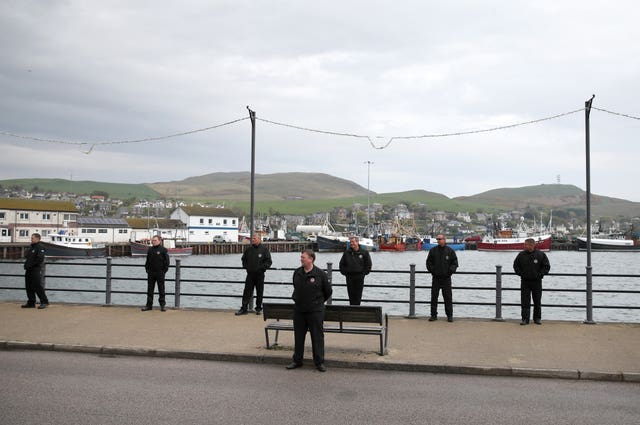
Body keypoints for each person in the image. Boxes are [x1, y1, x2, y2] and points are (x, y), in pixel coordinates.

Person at [286, 249, 332, 372]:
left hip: (315, 311)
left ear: (311, 259)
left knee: (317, 337)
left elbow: (328, 291)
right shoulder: (297, 272)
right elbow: (295, 287)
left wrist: (317, 303)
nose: (301, 259)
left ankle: (319, 362)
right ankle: (297, 360)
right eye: (301, 257)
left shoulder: (320, 274)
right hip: (299, 310)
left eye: (304, 257)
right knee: (299, 336)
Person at [513, 238, 551, 325]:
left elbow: (546, 267)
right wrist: (520, 274)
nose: (524, 246)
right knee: (525, 301)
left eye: (526, 244)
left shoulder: (541, 255)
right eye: (524, 244)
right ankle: (525, 319)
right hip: (525, 281)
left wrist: (540, 274)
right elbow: (515, 266)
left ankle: (537, 318)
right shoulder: (521, 255)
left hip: (537, 281)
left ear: (532, 245)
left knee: (537, 300)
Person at [236, 234, 272, 315]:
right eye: (252, 239)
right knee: (247, 292)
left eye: (254, 239)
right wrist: (246, 267)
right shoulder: (249, 249)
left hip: (260, 275)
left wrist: (262, 269)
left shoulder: (264, 250)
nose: (253, 240)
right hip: (250, 274)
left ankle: (258, 308)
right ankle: (244, 308)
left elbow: (269, 261)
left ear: (259, 239)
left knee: (259, 292)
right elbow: (243, 259)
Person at [426, 234, 458, 322]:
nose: (438, 240)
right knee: (434, 297)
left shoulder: (450, 251)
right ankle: (433, 315)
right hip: (436, 278)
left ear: (444, 239)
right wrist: (433, 271)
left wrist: (449, 272)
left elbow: (455, 263)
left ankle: (449, 315)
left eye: (440, 239)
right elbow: (428, 263)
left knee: (448, 297)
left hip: (446, 278)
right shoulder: (433, 251)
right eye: (437, 239)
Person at [339, 236, 372, 305]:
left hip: (360, 276)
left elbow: (368, 264)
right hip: (349, 276)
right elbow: (341, 264)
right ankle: (351, 310)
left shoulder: (364, 252)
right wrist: (345, 273)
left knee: (358, 295)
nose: (351, 243)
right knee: (351, 295)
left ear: (357, 242)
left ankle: (357, 310)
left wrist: (364, 273)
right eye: (350, 242)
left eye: (353, 242)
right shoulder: (347, 252)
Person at [142, 235, 170, 312]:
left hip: (160, 273)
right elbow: (147, 261)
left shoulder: (163, 250)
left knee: (161, 289)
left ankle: (162, 305)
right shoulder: (150, 250)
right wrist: (147, 269)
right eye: (152, 240)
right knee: (150, 290)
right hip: (151, 273)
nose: (153, 242)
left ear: (159, 241)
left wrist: (164, 271)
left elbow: (167, 262)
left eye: (155, 240)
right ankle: (149, 305)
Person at [22, 233, 49, 309]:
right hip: (28, 270)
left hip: (35, 270)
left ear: (37, 239)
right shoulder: (32, 247)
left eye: (32, 238)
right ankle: (31, 302)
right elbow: (27, 256)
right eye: (31, 238)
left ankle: (44, 302)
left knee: (37, 286)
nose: (31, 239)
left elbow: (40, 259)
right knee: (29, 287)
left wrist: (31, 265)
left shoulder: (40, 247)